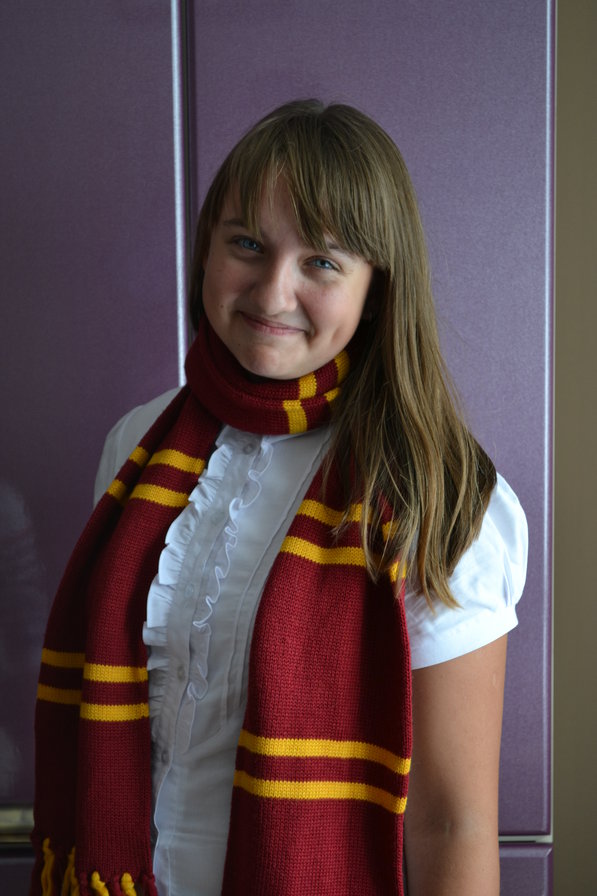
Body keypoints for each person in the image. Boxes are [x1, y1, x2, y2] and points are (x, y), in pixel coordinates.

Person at [30, 99, 527, 896]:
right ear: (206, 251)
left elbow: (450, 822)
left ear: (376, 288)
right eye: (247, 244)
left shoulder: (438, 493)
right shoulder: (134, 446)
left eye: (321, 262)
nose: (271, 292)